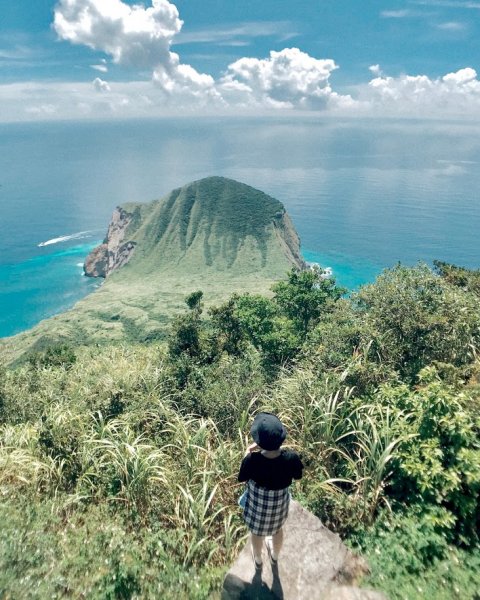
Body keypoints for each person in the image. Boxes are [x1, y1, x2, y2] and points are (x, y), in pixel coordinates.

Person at [237, 412, 303, 568]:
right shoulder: (291, 458)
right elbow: (298, 476)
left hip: (257, 510)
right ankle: (274, 556)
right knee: (277, 530)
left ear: (259, 441)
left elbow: (242, 478)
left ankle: (258, 560)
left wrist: (248, 452)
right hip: (278, 508)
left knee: (256, 533)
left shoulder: (252, 461)